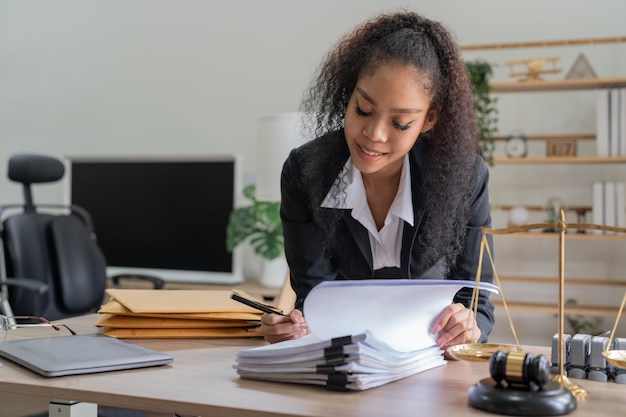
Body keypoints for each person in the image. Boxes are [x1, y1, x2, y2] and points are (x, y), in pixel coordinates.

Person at [260, 10, 495, 350]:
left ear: (429, 119)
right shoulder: (304, 173)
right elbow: (314, 298)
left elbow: (477, 303)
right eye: (362, 110)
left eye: (400, 123)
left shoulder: (465, 178)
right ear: (349, 92)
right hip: (347, 364)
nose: (374, 134)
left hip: (429, 364)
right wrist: (295, 326)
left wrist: (468, 326)